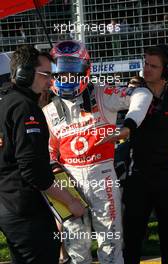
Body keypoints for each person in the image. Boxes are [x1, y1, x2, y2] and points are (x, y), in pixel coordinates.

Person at [43, 40, 153, 264]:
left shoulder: (103, 94)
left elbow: (142, 93)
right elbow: (50, 153)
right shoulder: (48, 110)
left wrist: (128, 126)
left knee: (110, 244)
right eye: (62, 73)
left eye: (73, 72)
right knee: (76, 249)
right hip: (68, 181)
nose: (67, 79)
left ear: (85, 69)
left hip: (102, 176)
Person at [0, 45, 85, 264]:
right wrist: (70, 201)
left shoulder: (7, 102)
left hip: (9, 204)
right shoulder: (24, 107)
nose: (51, 81)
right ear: (24, 73)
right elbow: (33, 170)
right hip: (25, 209)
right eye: (46, 74)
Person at [122, 44, 168, 264]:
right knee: (132, 238)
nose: (147, 69)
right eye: (145, 63)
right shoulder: (132, 93)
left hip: (166, 176)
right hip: (137, 176)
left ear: (167, 70)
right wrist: (129, 92)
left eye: (154, 66)